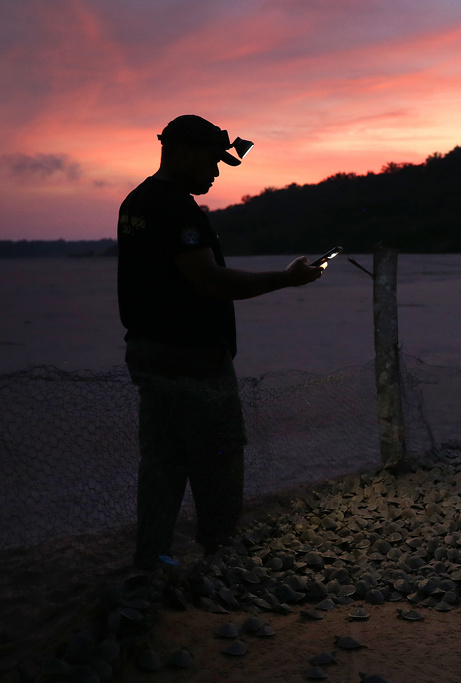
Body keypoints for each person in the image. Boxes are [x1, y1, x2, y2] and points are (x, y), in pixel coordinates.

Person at [117, 114, 322, 571]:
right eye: (211, 161)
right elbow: (208, 281)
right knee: (218, 455)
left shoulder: (136, 201)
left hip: (148, 350)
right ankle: (220, 555)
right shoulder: (176, 208)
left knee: (163, 461)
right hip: (191, 356)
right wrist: (285, 279)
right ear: (184, 152)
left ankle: (152, 557)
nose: (214, 172)